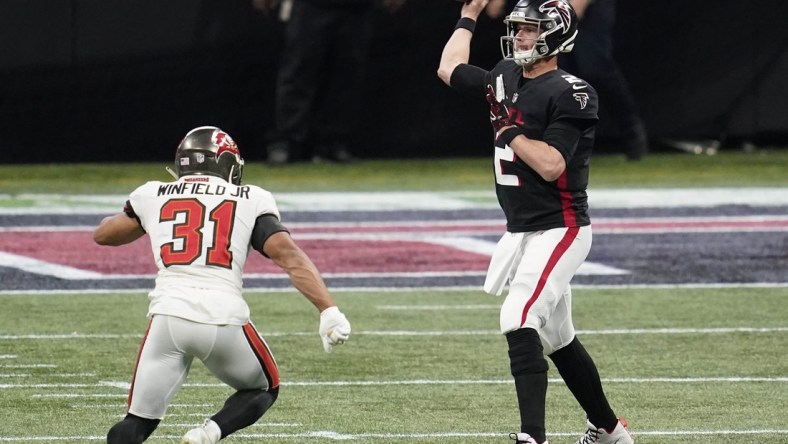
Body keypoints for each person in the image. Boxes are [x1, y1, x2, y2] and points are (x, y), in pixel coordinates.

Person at [438, 1, 634, 444]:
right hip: (524, 229)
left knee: (519, 316)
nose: (520, 37)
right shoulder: (506, 75)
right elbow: (450, 68)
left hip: (561, 226)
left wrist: (509, 130)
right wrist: (468, 14)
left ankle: (533, 437)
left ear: (555, 36)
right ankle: (610, 431)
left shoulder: (572, 91)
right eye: (519, 29)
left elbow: (550, 165)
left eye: (530, 30)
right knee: (558, 337)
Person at [93, 126, 351, 444]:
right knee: (263, 387)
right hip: (223, 316)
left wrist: (145, 217)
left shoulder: (152, 193)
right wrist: (327, 309)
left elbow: (103, 235)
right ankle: (208, 433)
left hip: (168, 317)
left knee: (135, 423)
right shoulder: (251, 197)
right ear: (227, 164)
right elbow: (288, 256)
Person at [486, 0, 647, 161]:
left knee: (594, 67)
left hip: (574, 10)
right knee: (544, 72)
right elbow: (494, 11)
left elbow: (574, 10)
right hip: (546, 12)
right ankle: (543, 141)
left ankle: (631, 131)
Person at [254, 0, 406, 165]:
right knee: (298, 71)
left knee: (347, 74)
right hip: (309, 5)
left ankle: (332, 143)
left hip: (356, 7)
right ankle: (287, 142)